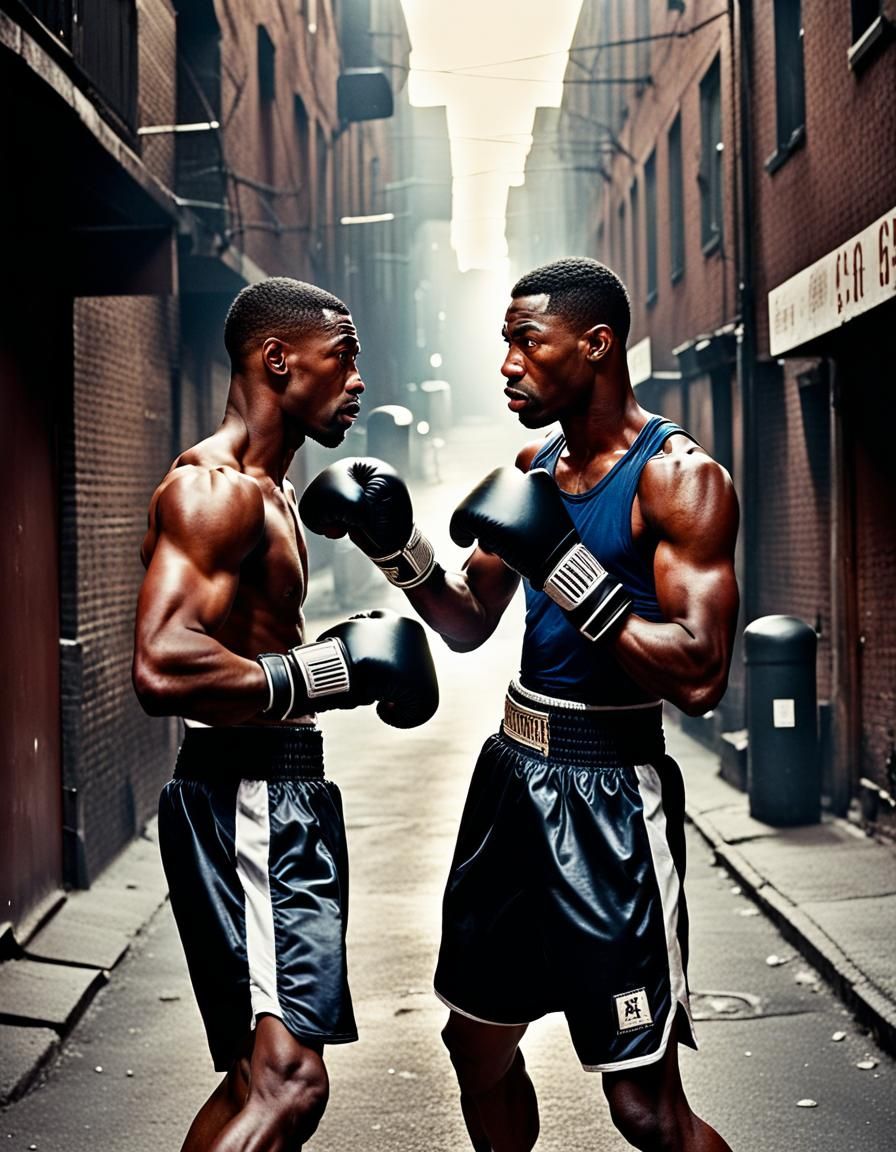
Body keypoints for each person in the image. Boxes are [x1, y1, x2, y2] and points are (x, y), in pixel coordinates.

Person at [299, 256, 739, 1150]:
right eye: (503, 343)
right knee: (476, 1046)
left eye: (525, 343)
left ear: (596, 344)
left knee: (644, 1107)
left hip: (611, 793)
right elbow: (466, 621)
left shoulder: (681, 480)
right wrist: (398, 545)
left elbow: (698, 674)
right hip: (512, 780)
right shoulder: (534, 465)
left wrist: (567, 567)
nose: (506, 364)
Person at [132, 276, 439, 1152]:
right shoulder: (215, 490)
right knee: (291, 1084)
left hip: (266, 796)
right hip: (251, 803)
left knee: (252, 1084)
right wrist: (324, 674)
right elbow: (159, 661)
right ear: (277, 360)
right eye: (342, 358)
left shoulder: (274, 489)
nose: (358, 380)